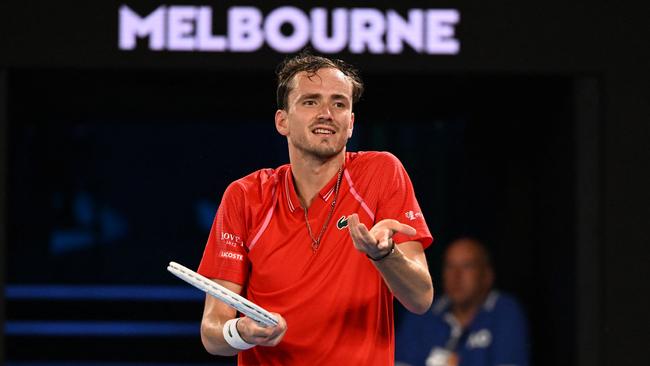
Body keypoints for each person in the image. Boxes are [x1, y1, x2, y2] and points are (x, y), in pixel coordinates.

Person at [196, 51, 434, 365]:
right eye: (310, 101)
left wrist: (384, 255)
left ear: (350, 123)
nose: (327, 113)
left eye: (339, 103)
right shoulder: (245, 196)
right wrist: (241, 331)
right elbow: (212, 333)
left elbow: (421, 299)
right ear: (282, 121)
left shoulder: (382, 173)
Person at [395, 237, 530, 366]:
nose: (456, 276)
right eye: (450, 266)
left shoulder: (504, 312)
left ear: (487, 275)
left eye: (467, 266)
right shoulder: (421, 311)